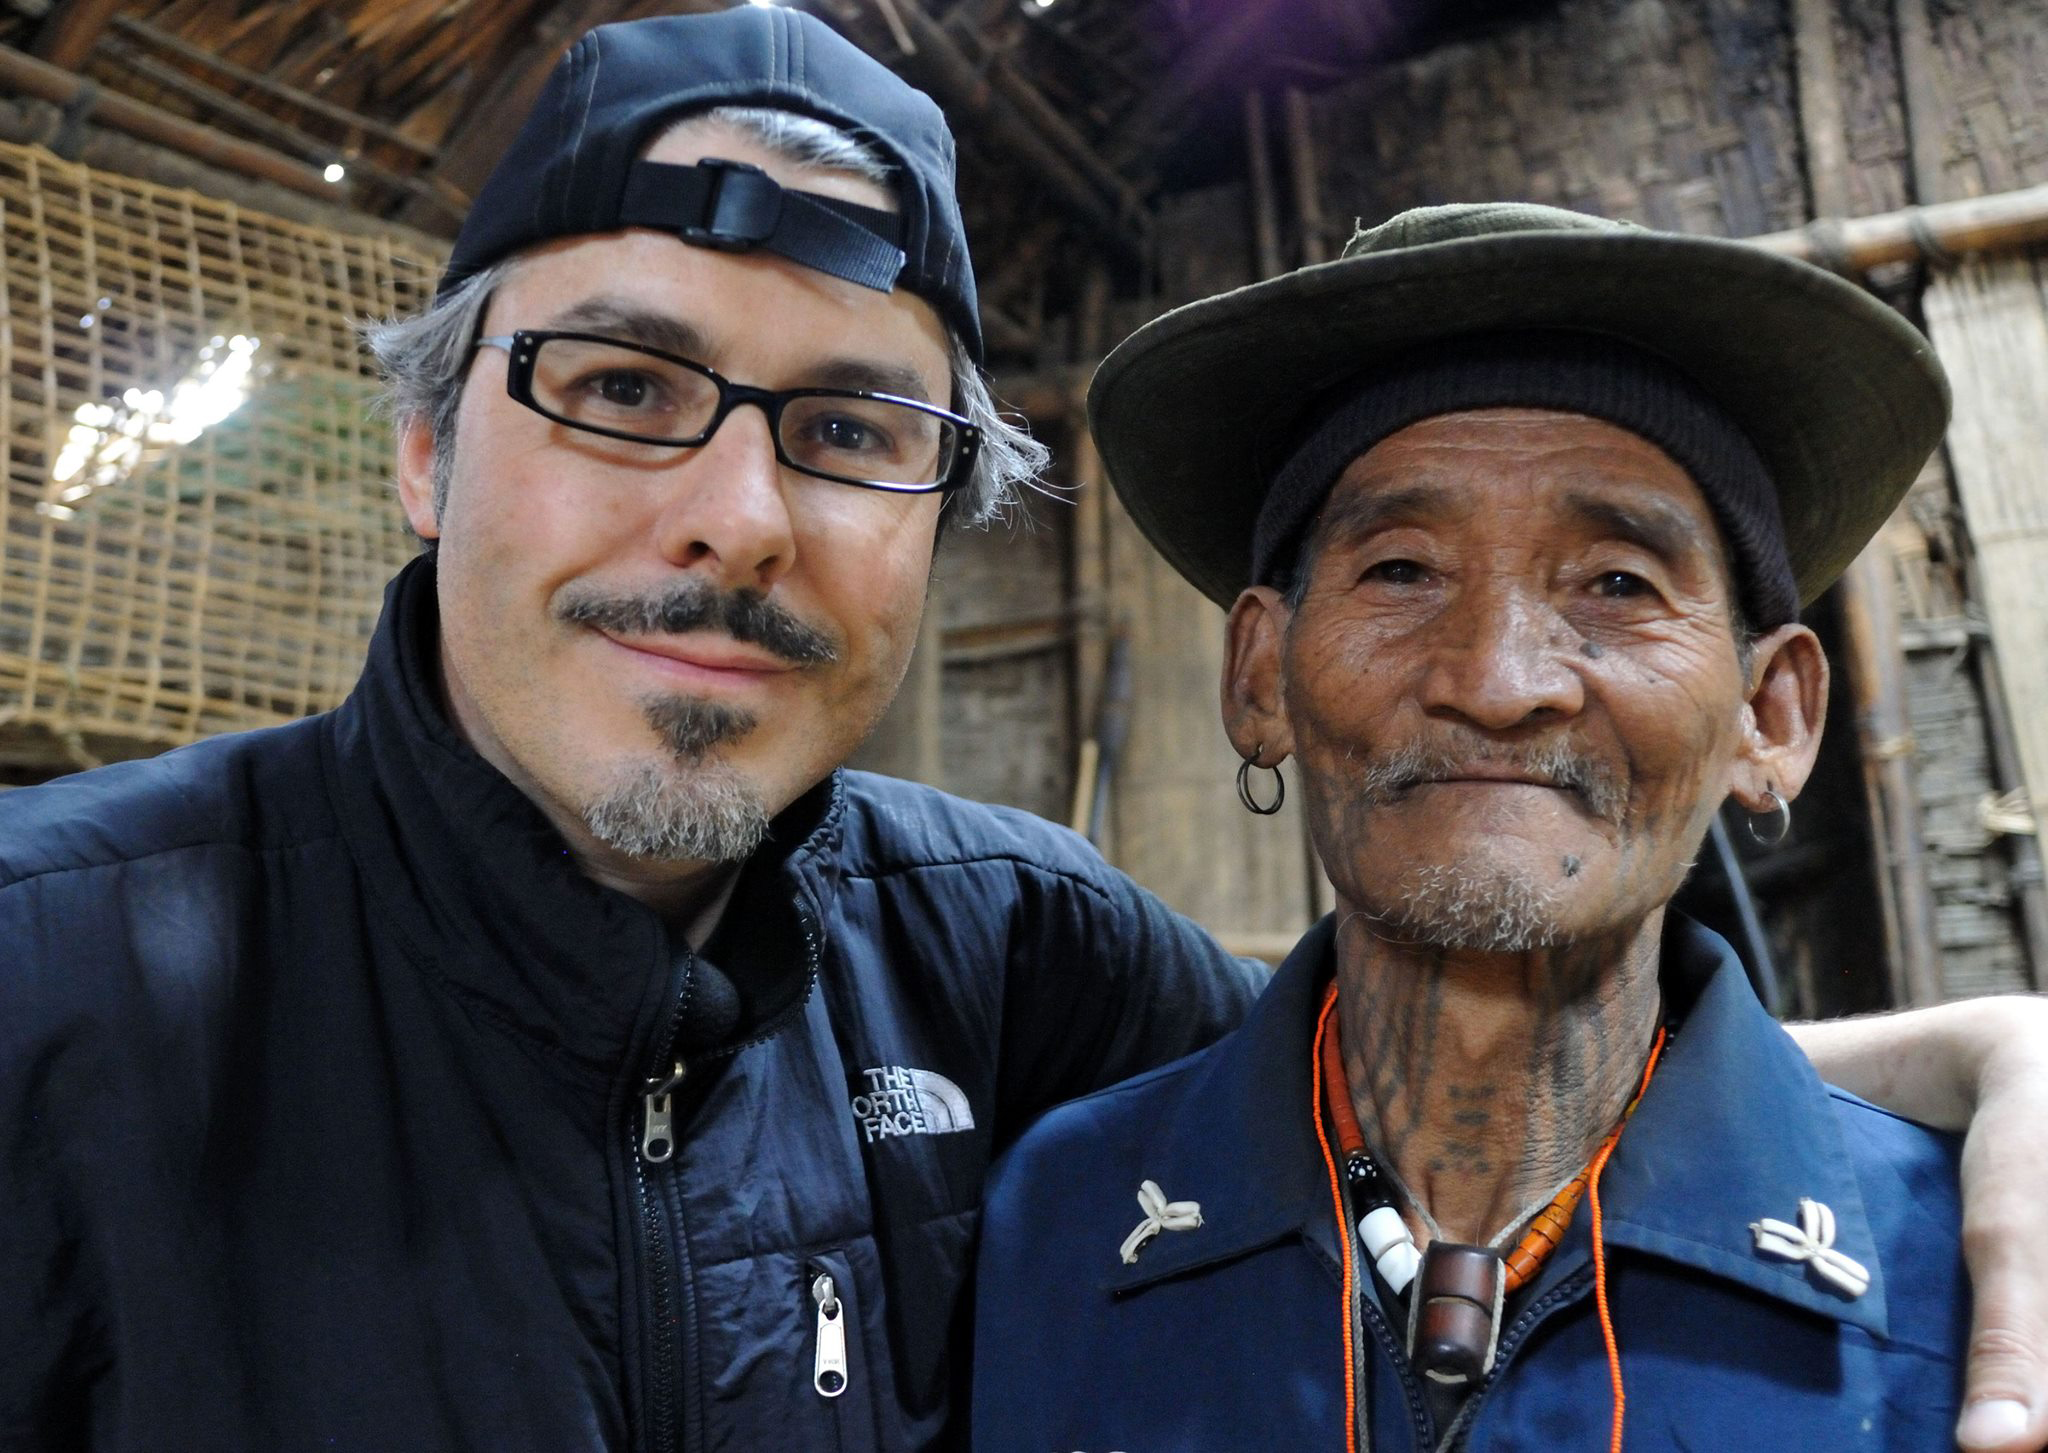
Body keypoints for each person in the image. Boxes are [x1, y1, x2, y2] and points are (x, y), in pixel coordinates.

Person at [0, 16, 2040, 1449]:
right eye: (623, 387)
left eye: (855, 430)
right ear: (430, 451)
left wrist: (1986, 1057)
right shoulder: (48, 981)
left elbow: (1447, 1045)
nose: (735, 512)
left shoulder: (992, 951)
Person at [972, 202, 2037, 1453]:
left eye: (1616, 584)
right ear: (1260, 678)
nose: (1494, 676)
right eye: (1401, 572)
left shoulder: (1964, 1283)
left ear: (1769, 713)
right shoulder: (1064, 1221)